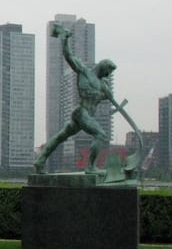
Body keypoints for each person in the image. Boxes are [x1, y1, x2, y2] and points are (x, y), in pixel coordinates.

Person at [34, 23, 117, 174]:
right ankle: (90, 167)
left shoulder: (102, 84)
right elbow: (69, 56)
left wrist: (107, 94)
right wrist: (65, 40)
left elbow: (107, 98)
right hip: (81, 112)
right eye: (108, 71)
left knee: (60, 137)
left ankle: (40, 161)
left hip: (86, 115)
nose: (108, 75)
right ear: (103, 66)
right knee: (101, 135)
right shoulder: (84, 72)